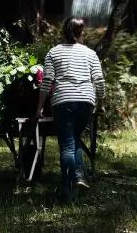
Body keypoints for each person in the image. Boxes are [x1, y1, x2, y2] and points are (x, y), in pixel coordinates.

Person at [35, 17, 105, 202]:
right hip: (86, 103)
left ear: (64, 32)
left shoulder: (53, 53)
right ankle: (79, 176)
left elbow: (46, 82)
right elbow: (99, 80)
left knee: (67, 144)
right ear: (80, 33)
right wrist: (100, 101)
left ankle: (67, 189)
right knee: (74, 139)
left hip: (63, 102)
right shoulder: (90, 54)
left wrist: (39, 109)